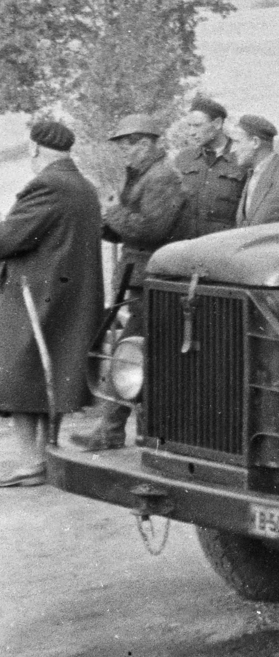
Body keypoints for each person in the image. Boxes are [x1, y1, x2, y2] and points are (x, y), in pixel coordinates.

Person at [71, 114, 184, 452]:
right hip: (141, 279)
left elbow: (151, 229)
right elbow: (126, 226)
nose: (123, 153)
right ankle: (129, 430)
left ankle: (114, 429)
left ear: (146, 143)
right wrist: (106, 219)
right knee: (137, 354)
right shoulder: (141, 176)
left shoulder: (162, 177)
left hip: (153, 279)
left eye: (127, 146)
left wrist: (112, 213)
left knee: (130, 354)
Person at [0, 120, 103, 487]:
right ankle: (43, 456)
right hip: (66, 299)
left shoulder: (47, 185)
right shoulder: (83, 186)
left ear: (34, 149)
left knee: (18, 375)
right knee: (49, 374)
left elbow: (9, 239)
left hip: (35, 298)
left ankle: (31, 462)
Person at [172, 95, 248, 238]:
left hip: (223, 246)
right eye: (189, 126)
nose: (191, 132)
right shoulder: (184, 159)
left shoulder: (241, 158)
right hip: (186, 246)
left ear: (217, 124)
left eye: (197, 126)